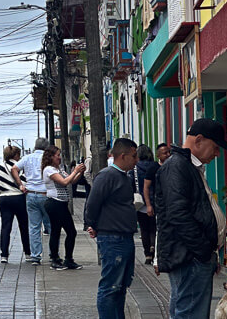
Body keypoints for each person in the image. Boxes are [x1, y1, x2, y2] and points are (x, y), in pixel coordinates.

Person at [155, 119, 227, 319]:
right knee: (190, 313)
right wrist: (203, 250)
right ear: (199, 140)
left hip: (193, 256)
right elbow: (178, 215)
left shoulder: (188, 166)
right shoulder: (177, 166)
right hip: (189, 257)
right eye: (215, 147)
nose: (217, 154)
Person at [85, 137, 139, 319]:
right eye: (133, 156)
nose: (136, 160)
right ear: (122, 156)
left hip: (123, 237)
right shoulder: (107, 175)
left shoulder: (124, 176)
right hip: (113, 239)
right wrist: (91, 224)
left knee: (120, 287)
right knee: (111, 286)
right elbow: (93, 202)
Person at [41, 146, 85, 270]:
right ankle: (56, 258)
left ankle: (67, 259)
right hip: (55, 203)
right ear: (50, 157)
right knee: (61, 231)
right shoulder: (49, 170)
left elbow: (71, 181)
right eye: (57, 155)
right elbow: (64, 182)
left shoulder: (58, 169)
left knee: (66, 231)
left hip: (61, 203)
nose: (59, 158)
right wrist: (75, 171)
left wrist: (79, 172)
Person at [12, 137, 52, 265]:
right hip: (45, 194)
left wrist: (20, 185)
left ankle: (35, 256)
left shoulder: (27, 158)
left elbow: (14, 169)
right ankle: (53, 254)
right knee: (51, 224)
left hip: (30, 194)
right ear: (46, 147)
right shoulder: (48, 159)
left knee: (34, 226)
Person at [0, 145, 31, 264]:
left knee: (6, 227)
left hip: (4, 198)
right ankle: (27, 253)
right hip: (18, 198)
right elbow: (24, 183)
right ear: (15, 155)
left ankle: (4, 255)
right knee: (23, 226)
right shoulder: (19, 167)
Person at [141, 143, 169, 259]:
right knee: (155, 228)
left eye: (168, 152)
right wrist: (148, 205)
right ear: (158, 155)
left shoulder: (173, 166)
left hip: (171, 204)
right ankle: (154, 253)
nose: (168, 155)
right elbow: (146, 187)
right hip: (158, 204)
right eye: (164, 153)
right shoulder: (153, 168)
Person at [134, 144, 157, 265]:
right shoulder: (155, 166)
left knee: (144, 229)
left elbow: (131, 183)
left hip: (140, 202)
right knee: (154, 228)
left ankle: (147, 254)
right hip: (156, 202)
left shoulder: (135, 168)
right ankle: (153, 246)